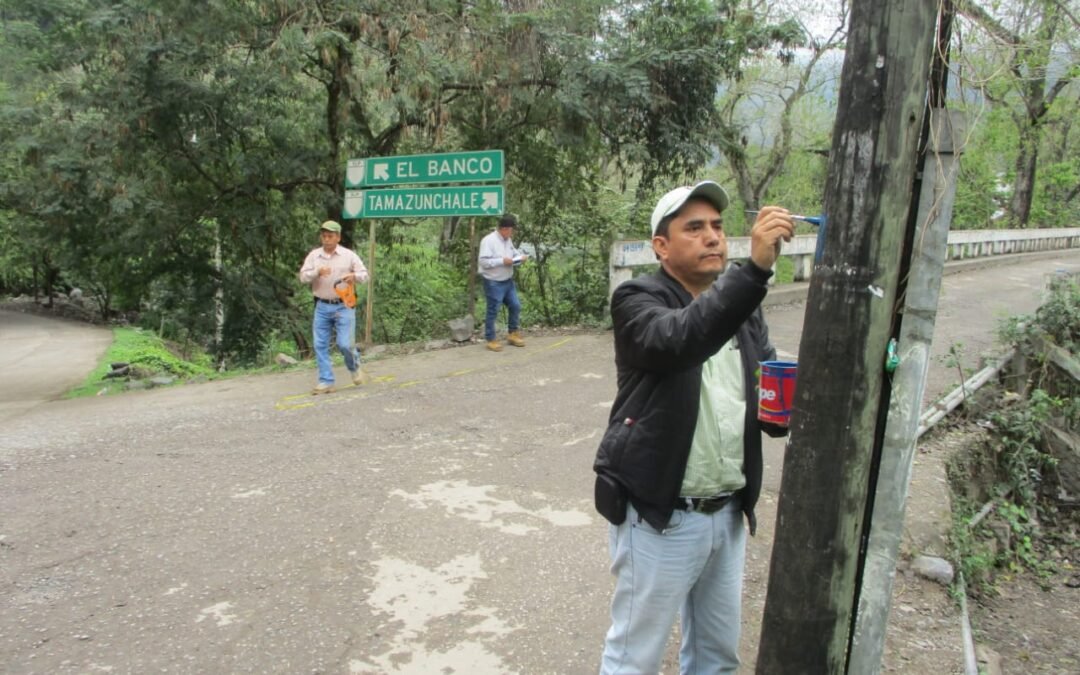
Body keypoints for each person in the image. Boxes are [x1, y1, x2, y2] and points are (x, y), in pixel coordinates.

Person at [593, 181, 795, 674]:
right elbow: (682, 338)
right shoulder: (637, 300)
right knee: (633, 659)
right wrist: (756, 271)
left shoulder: (744, 310)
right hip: (662, 516)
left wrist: (783, 406)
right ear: (661, 247)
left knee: (716, 658)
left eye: (719, 227)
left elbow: (764, 380)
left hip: (726, 513)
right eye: (695, 228)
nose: (713, 238)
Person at [298, 220, 370, 394]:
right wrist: (316, 272)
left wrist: (354, 276)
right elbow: (302, 277)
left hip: (344, 305)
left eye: (330, 236)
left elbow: (365, 275)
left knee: (345, 344)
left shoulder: (348, 255)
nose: (326, 239)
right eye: (324, 236)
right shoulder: (314, 256)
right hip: (322, 305)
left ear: (338, 237)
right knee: (320, 344)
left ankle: (354, 367)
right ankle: (326, 381)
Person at [477, 214, 528, 352]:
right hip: (493, 282)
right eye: (512, 230)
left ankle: (512, 333)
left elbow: (513, 253)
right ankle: (491, 339)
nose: (513, 233)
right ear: (504, 229)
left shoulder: (508, 240)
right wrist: (502, 261)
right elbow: (483, 262)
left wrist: (520, 257)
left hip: (507, 281)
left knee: (515, 305)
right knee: (493, 310)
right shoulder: (488, 241)